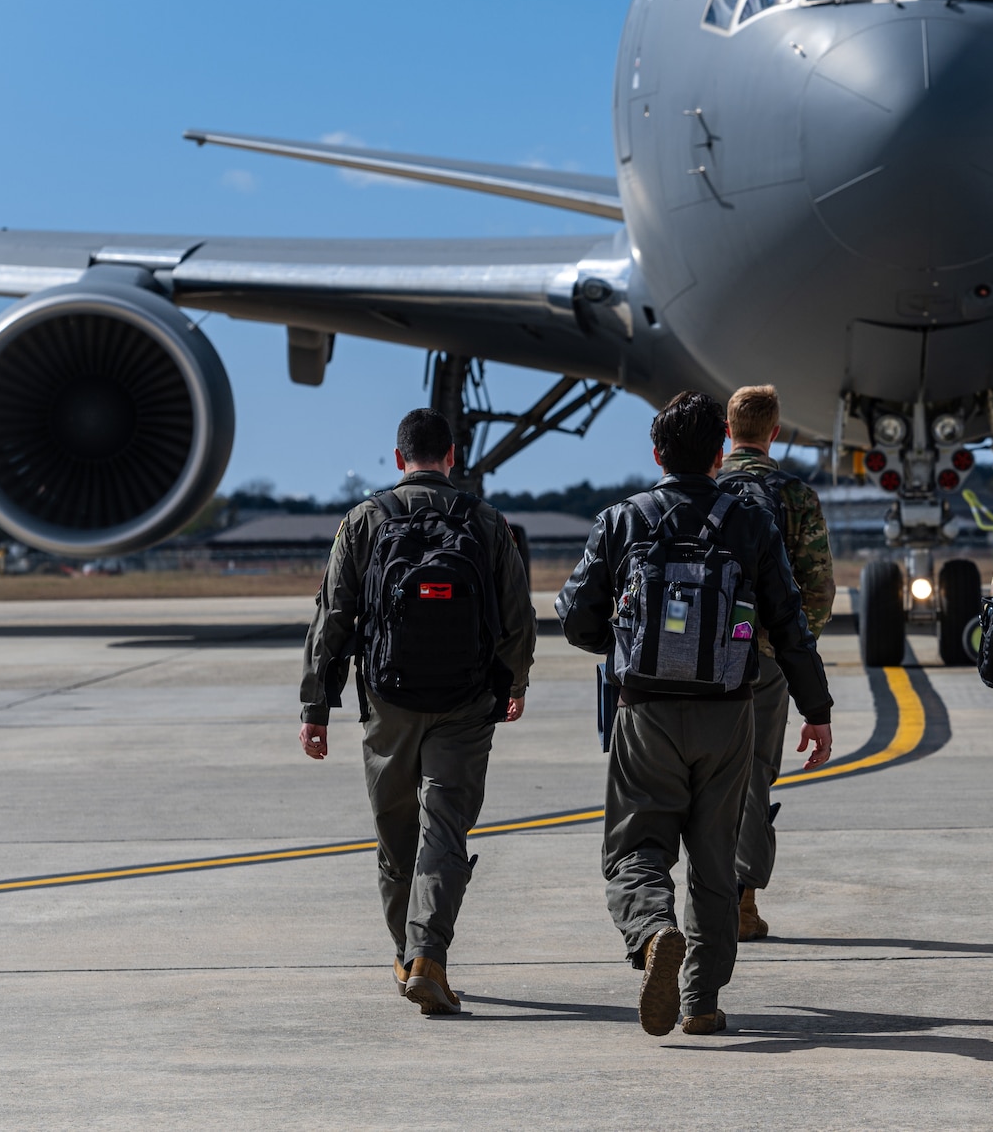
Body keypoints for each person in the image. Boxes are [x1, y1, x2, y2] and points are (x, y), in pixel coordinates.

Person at [557, 390, 834, 1038]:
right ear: (719, 455)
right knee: (714, 858)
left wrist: (625, 641)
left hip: (645, 710)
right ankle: (701, 1000)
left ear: (656, 453)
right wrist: (815, 710)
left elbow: (575, 617)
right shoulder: (750, 521)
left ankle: (653, 930)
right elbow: (792, 625)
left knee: (634, 846)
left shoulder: (623, 518)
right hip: (729, 709)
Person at [298, 407, 535, 1016]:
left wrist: (316, 705)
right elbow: (516, 618)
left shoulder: (365, 520)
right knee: (446, 829)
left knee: (397, 834)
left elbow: (334, 619)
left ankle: (407, 954)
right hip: (465, 702)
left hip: (388, 702)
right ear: (451, 456)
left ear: (399, 458)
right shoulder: (486, 522)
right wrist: (515, 682)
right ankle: (430, 954)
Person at [717, 384, 837, 942]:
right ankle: (743, 900)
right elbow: (818, 589)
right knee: (755, 776)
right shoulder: (794, 495)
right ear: (775, 432)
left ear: (727, 430)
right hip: (764, 657)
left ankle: (695, 892)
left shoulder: (705, 487)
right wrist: (792, 651)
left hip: (694, 658)